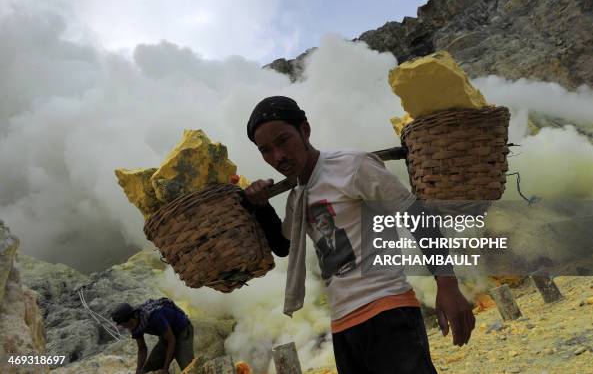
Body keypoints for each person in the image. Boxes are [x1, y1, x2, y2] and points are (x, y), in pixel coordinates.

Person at [244, 96, 475, 374]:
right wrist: (261, 206)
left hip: (388, 312)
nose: (277, 156)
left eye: (283, 141)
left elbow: (416, 216)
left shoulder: (352, 166)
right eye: (265, 150)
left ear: (304, 130)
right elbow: (283, 246)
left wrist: (447, 285)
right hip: (343, 325)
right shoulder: (297, 197)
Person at [111, 298, 194, 374]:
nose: (128, 328)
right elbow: (142, 348)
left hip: (182, 331)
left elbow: (171, 340)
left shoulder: (154, 316)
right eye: (125, 326)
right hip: (166, 335)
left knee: (188, 369)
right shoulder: (134, 325)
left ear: (135, 316)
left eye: (128, 324)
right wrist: (138, 370)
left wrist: (165, 368)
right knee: (147, 371)